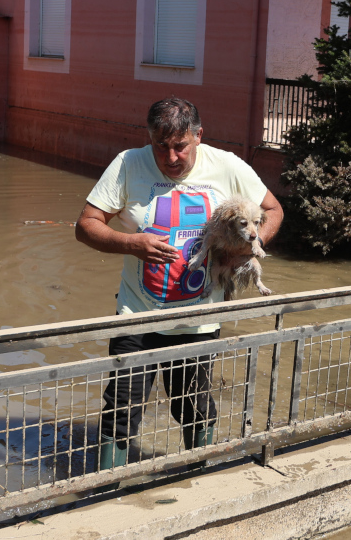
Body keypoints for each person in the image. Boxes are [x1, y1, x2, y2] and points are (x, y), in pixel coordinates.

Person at [74, 97, 283, 471]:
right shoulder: (127, 164)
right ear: (149, 138)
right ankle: (104, 490)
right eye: (160, 146)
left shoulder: (227, 166)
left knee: (196, 408)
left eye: (180, 146)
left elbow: (273, 209)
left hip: (198, 320)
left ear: (198, 136)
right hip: (137, 315)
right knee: (121, 408)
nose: (170, 157)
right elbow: (86, 225)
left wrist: (252, 248)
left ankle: (197, 478)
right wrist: (131, 244)